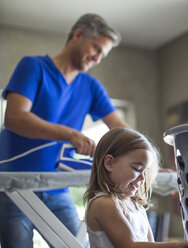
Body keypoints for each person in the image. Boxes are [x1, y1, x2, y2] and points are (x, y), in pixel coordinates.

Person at [0, 13, 129, 247]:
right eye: (97, 48)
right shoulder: (33, 67)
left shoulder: (90, 86)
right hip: (14, 185)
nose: (98, 58)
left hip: (57, 188)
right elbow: (15, 118)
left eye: (103, 55)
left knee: (77, 244)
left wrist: (147, 161)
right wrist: (70, 134)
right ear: (78, 36)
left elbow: (123, 131)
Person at [83, 127, 188, 248]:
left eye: (145, 172)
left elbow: (150, 245)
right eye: (137, 169)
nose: (142, 178)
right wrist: (177, 246)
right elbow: (129, 246)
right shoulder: (104, 204)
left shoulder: (136, 205)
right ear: (109, 163)